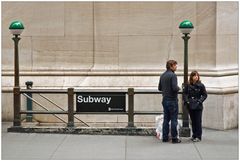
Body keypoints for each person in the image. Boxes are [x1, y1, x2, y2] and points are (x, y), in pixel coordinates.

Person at [158, 60, 181, 143]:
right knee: (174, 119)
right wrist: (179, 88)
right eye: (175, 65)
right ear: (171, 66)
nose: (176, 67)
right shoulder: (173, 76)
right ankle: (174, 138)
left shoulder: (163, 75)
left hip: (165, 100)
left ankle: (165, 137)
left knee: (166, 119)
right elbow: (175, 88)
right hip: (172, 100)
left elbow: (159, 88)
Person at [183, 71, 207, 142]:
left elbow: (205, 95)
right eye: (194, 75)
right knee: (193, 121)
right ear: (191, 77)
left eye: (197, 75)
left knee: (198, 121)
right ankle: (194, 135)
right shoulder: (188, 85)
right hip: (190, 105)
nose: (196, 77)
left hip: (198, 106)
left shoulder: (201, 85)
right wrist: (187, 101)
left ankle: (198, 136)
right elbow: (185, 94)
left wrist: (200, 101)